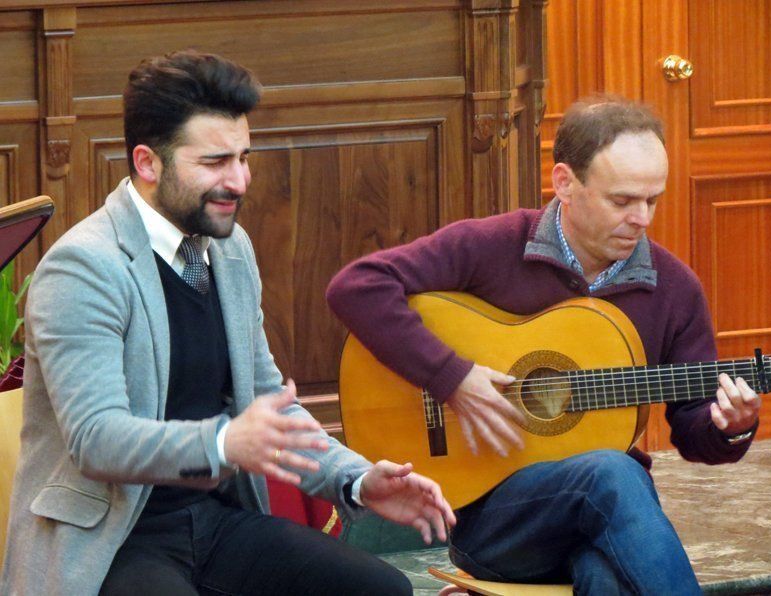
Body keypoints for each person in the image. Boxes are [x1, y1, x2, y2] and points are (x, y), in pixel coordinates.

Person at [0, 50, 455, 596]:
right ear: (148, 164)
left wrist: (354, 481)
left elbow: (265, 398)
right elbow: (96, 440)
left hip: (212, 522)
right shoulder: (85, 266)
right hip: (112, 537)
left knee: (381, 589)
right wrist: (223, 443)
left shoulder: (230, 248)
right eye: (215, 162)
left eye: (244, 157)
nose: (239, 180)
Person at [326, 96, 762, 595]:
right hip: (493, 520)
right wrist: (452, 379)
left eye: (652, 200)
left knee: (607, 574)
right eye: (622, 201)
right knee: (612, 472)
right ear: (564, 183)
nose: (642, 218)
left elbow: (693, 431)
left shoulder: (675, 288)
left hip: (605, 514)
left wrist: (730, 426)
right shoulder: (494, 245)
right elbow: (356, 287)